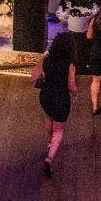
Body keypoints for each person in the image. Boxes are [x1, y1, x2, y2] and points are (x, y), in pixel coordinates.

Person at [35, 31, 76, 176]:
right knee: (58, 130)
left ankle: (49, 142)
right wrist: (75, 94)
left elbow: (35, 76)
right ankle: (50, 158)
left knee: (48, 118)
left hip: (46, 95)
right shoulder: (70, 65)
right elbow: (71, 86)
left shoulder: (46, 59)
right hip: (60, 99)